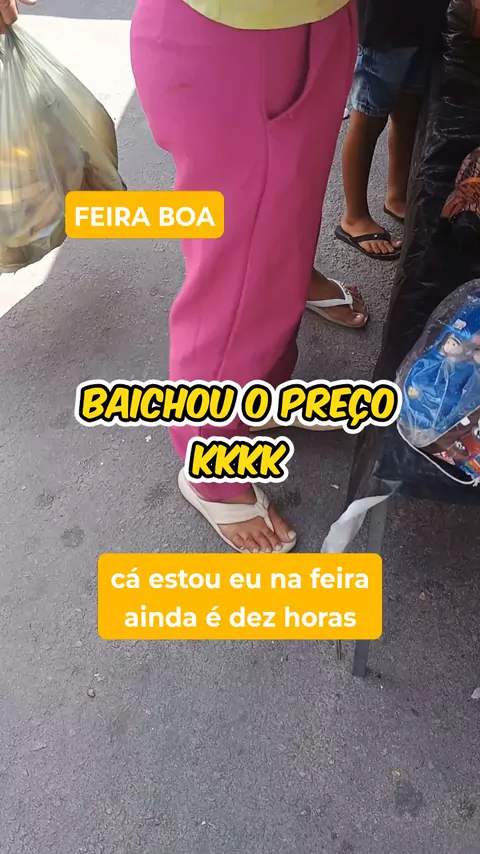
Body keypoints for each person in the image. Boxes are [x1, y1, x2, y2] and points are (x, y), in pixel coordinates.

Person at [130, 0, 368, 554]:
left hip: (313, 18)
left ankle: (259, 390)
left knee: (282, 231)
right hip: (237, 31)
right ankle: (209, 464)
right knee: (237, 277)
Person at [335, 0, 449, 260]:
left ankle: (397, 195)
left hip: (424, 22)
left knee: (408, 113)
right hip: (384, 27)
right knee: (368, 120)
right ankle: (354, 217)